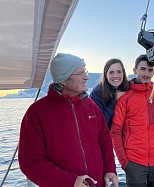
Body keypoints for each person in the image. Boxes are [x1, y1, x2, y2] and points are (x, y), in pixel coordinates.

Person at [18, 53, 118, 187]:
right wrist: (71, 182)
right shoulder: (37, 113)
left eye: (86, 72)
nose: (87, 77)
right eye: (81, 73)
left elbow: (104, 138)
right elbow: (30, 162)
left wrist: (110, 168)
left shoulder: (90, 106)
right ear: (64, 79)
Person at [111, 54, 154, 187]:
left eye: (150, 70)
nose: (147, 73)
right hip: (134, 162)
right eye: (143, 69)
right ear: (135, 70)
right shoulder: (125, 97)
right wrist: (124, 161)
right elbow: (116, 131)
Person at [90, 58, 129, 130]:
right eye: (111, 72)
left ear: (123, 73)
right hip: (106, 136)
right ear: (106, 74)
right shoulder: (97, 92)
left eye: (119, 72)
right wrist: (113, 102)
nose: (115, 75)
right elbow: (99, 123)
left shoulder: (128, 88)